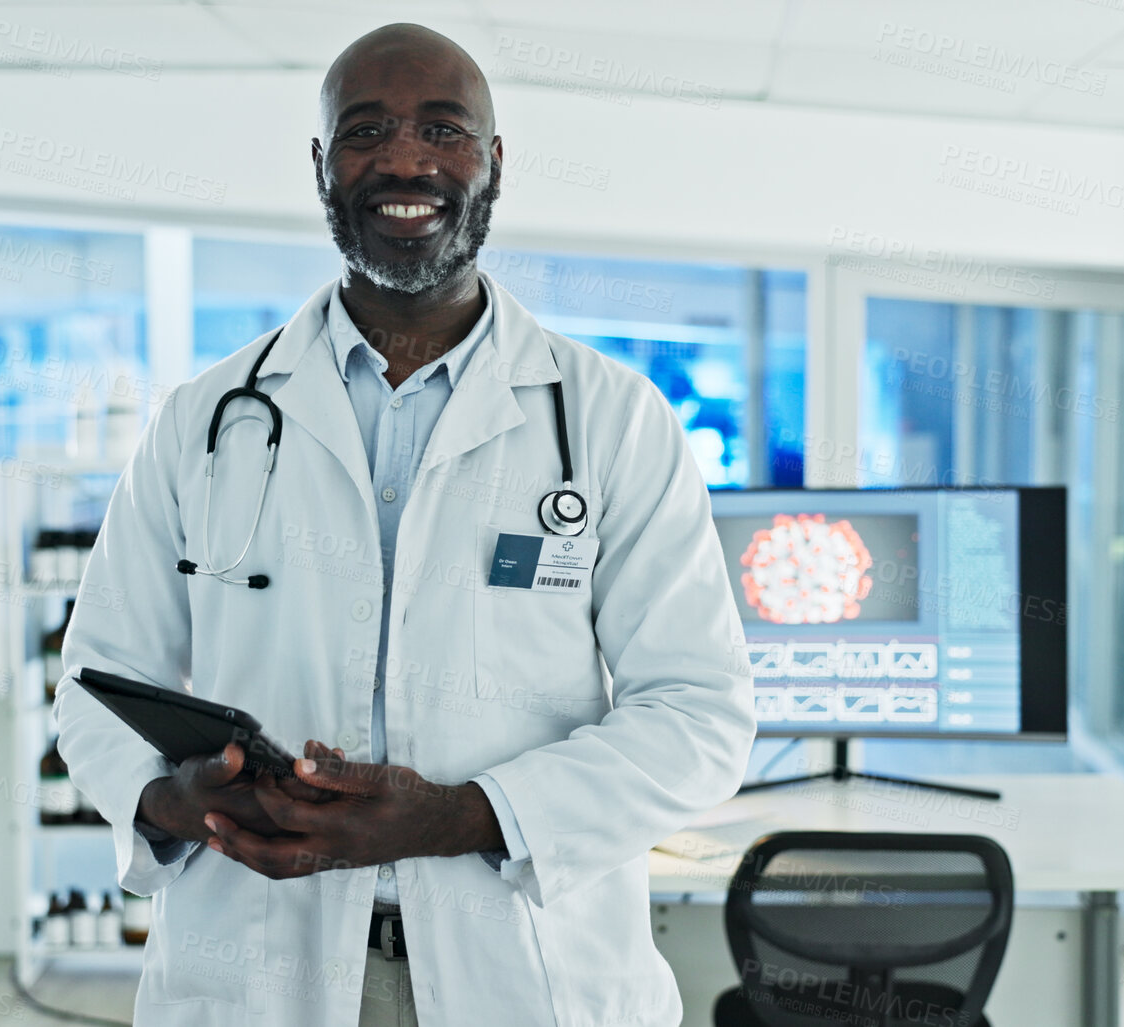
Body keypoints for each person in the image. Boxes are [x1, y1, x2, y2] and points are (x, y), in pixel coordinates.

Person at [53, 22, 753, 1027]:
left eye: (444, 129)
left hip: (517, 969)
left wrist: (462, 816)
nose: (404, 160)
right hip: (259, 965)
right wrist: (180, 801)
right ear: (322, 165)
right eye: (366, 130)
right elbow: (96, 686)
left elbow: (698, 714)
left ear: (494, 161)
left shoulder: (610, 418)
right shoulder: (203, 420)